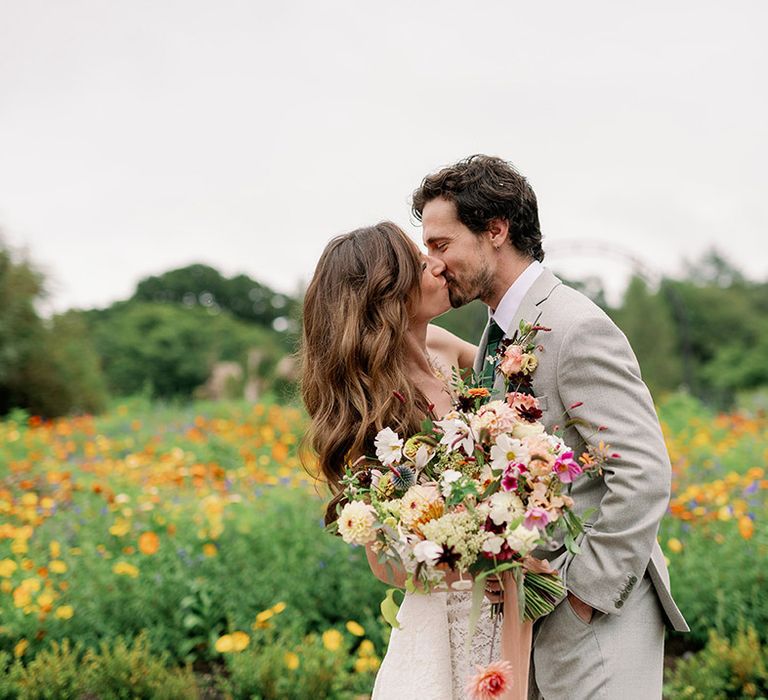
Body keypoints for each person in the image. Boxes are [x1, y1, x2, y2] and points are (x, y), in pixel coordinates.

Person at [413, 154, 689, 699]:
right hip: (537, 606)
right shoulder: (497, 332)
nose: (434, 264)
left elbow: (643, 470)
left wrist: (582, 596)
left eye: (441, 245)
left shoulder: (575, 326)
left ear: (495, 229)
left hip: (597, 616)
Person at [300, 221, 507, 699]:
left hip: (507, 604)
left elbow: (522, 396)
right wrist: (490, 559)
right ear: (384, 296)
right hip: (452, 618)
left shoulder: (442, 349)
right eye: (418, 265)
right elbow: (387, 566)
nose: (437, 266)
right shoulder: (372, 409)